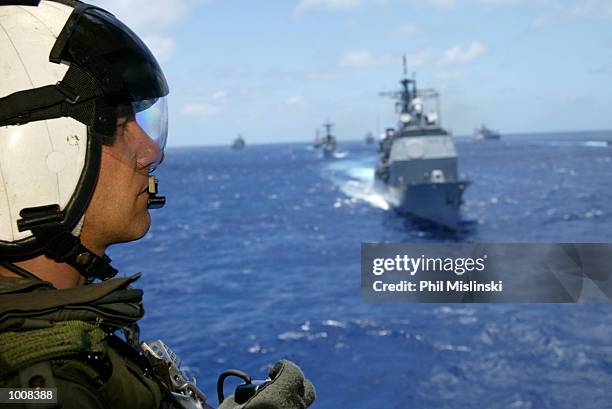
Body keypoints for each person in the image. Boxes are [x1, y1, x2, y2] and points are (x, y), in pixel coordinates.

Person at [0, 1, 315, 408]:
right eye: (118, 127)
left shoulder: (53, 338)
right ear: (34, 158)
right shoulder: (46, 383)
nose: (149, 152)